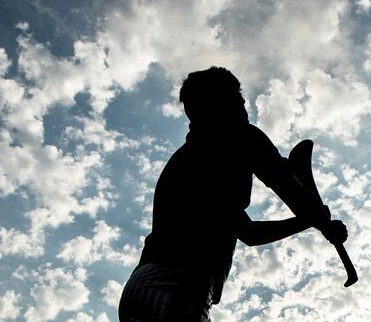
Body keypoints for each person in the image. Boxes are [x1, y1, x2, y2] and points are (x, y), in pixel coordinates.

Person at [118, 66, 348, 322]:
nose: (244, 111)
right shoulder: (239, 136)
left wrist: (310, 221)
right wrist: (322, 222)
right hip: (179, 283)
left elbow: (250, 233)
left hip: (142, 287)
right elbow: (288, 186)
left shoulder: (196, 163)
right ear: (218, 106)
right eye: (238, 101)